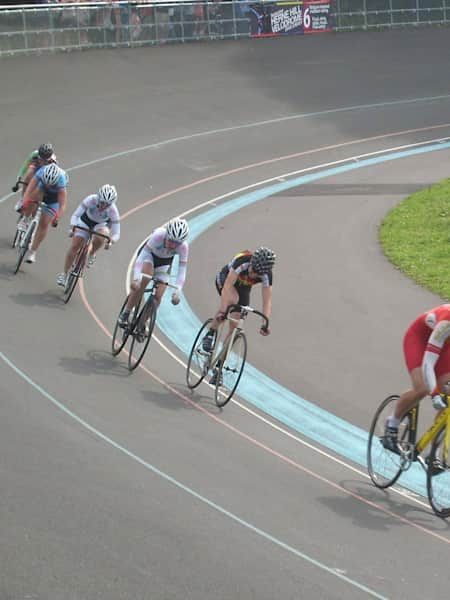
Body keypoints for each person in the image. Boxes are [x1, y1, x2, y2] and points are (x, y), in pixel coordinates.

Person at [201, 247, 275, 383]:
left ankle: (218, 368)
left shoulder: (266, 276)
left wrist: (266, 322)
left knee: (235, 327)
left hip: (244, 289)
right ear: (251, 262)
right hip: (226, 280)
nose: (253, 274)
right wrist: (223, 310)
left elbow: (267, 300)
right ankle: (210, 334)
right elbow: (228, 286)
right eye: (252, 269)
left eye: (257, 273)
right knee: (232, 301)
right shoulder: (243, 261)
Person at [384, 303, 450, 452]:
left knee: (448, 392)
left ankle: (434, 452)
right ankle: (392, 424)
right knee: (423, 388)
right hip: (419, 340)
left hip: (445, 346)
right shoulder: (446, 322)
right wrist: (434, 394)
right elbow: (428, 362)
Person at [117, 217, 189, 327]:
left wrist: (178, 291)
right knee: (145, 279)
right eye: (171, 240)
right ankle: (126, 312)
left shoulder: (183, 247)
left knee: (158, 296)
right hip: (148, 257)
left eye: (177, 243)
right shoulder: (159, 235)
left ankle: (142, 323)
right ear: (167, 235)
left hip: (164, 263)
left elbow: (182, 270)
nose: (173, 245)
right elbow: (141, 257)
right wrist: (136, 279)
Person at [57, 184, 120, 287]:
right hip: (85, 221)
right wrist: (72, 227)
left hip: (101, 225)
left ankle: (92, 253)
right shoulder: (91, 200)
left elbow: (117, 233)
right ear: (98, 198)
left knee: (102, 237)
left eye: (107, 204)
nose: (104, 206)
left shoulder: (113, 210)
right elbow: (76, 215)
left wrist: (111, 241)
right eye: (102, 202)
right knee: (75, 245)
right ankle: (64, 274)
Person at [20, 163, 68, 264]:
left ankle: (33, 252)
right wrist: (24, 203)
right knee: (33, 197)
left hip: (53, 199)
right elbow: (28, 191)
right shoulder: (41, 172)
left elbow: (62, 205)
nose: (48, 185)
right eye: (46, 182)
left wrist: (56, 218)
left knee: (45, 223)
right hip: (40, 191)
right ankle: (25, 219)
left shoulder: (61, 181)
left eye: (51, 184)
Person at [12, 143, 57, 210]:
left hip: (45, 170)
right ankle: (22, 199)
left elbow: (54, 173)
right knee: (29, 174)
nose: (43, 160)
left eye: (45, 159)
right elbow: (26, 165)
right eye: (42, 157)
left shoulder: (53, 160)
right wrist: (20, 176)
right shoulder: (34, 154)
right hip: (36, 166)